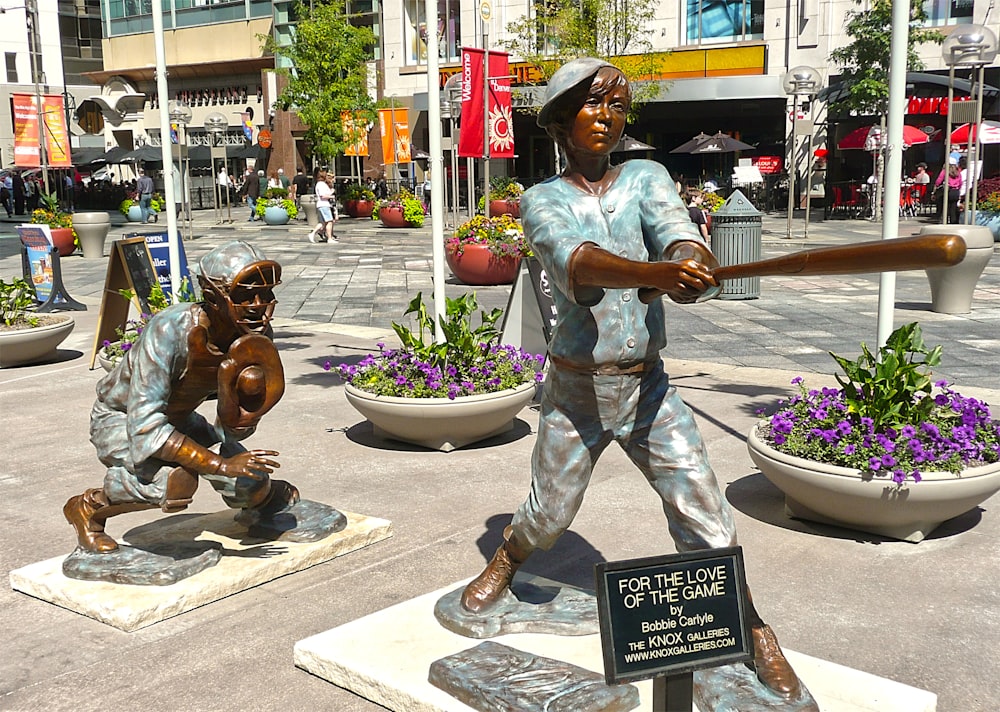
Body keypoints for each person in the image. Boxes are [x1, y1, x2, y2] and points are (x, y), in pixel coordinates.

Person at [457, 58, 801, 700]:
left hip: (648, 387)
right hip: (576, 390)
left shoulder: (647, 175)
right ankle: (508, 559)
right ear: (561, 122)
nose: (606, 116)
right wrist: (655, 277)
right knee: (549, 517)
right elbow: (578, 265)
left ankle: (750, 627)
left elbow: (674, 234)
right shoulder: (541, 200)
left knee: (707, 515)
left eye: (616, 106)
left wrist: (690, 263)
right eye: (591, 104)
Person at [63, 241, 340, 553]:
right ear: (212, 297)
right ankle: (88, 508)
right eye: (246, 296)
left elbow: (230, 426)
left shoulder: (252, 334)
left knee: (249, 479)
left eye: (266, 295)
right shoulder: (170, 330)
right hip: (122, 418)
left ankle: (260, 502)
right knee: (175, 481)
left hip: (179, 418)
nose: (259, 305)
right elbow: (145, 426)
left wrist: (242, 418)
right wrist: (220, 466)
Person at [310, 170, 337, 243]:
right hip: (324, 205)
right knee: (329, 221)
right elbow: (323, 195)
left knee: (322, 223)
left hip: (322, 205)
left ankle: (313, 233)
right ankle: (329, 238)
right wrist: (331, 196)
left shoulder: (320, 184)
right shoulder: (321, 184)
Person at [934, 157, 962, 224]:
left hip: (948, 191)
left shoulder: (945, 171)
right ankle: (953, 222)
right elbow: (961, 183)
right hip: (956, 192)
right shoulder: (958, 173)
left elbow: (938, 181)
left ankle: (944, 222)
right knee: (953, 208)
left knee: (945, 207)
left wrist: (936, 186)